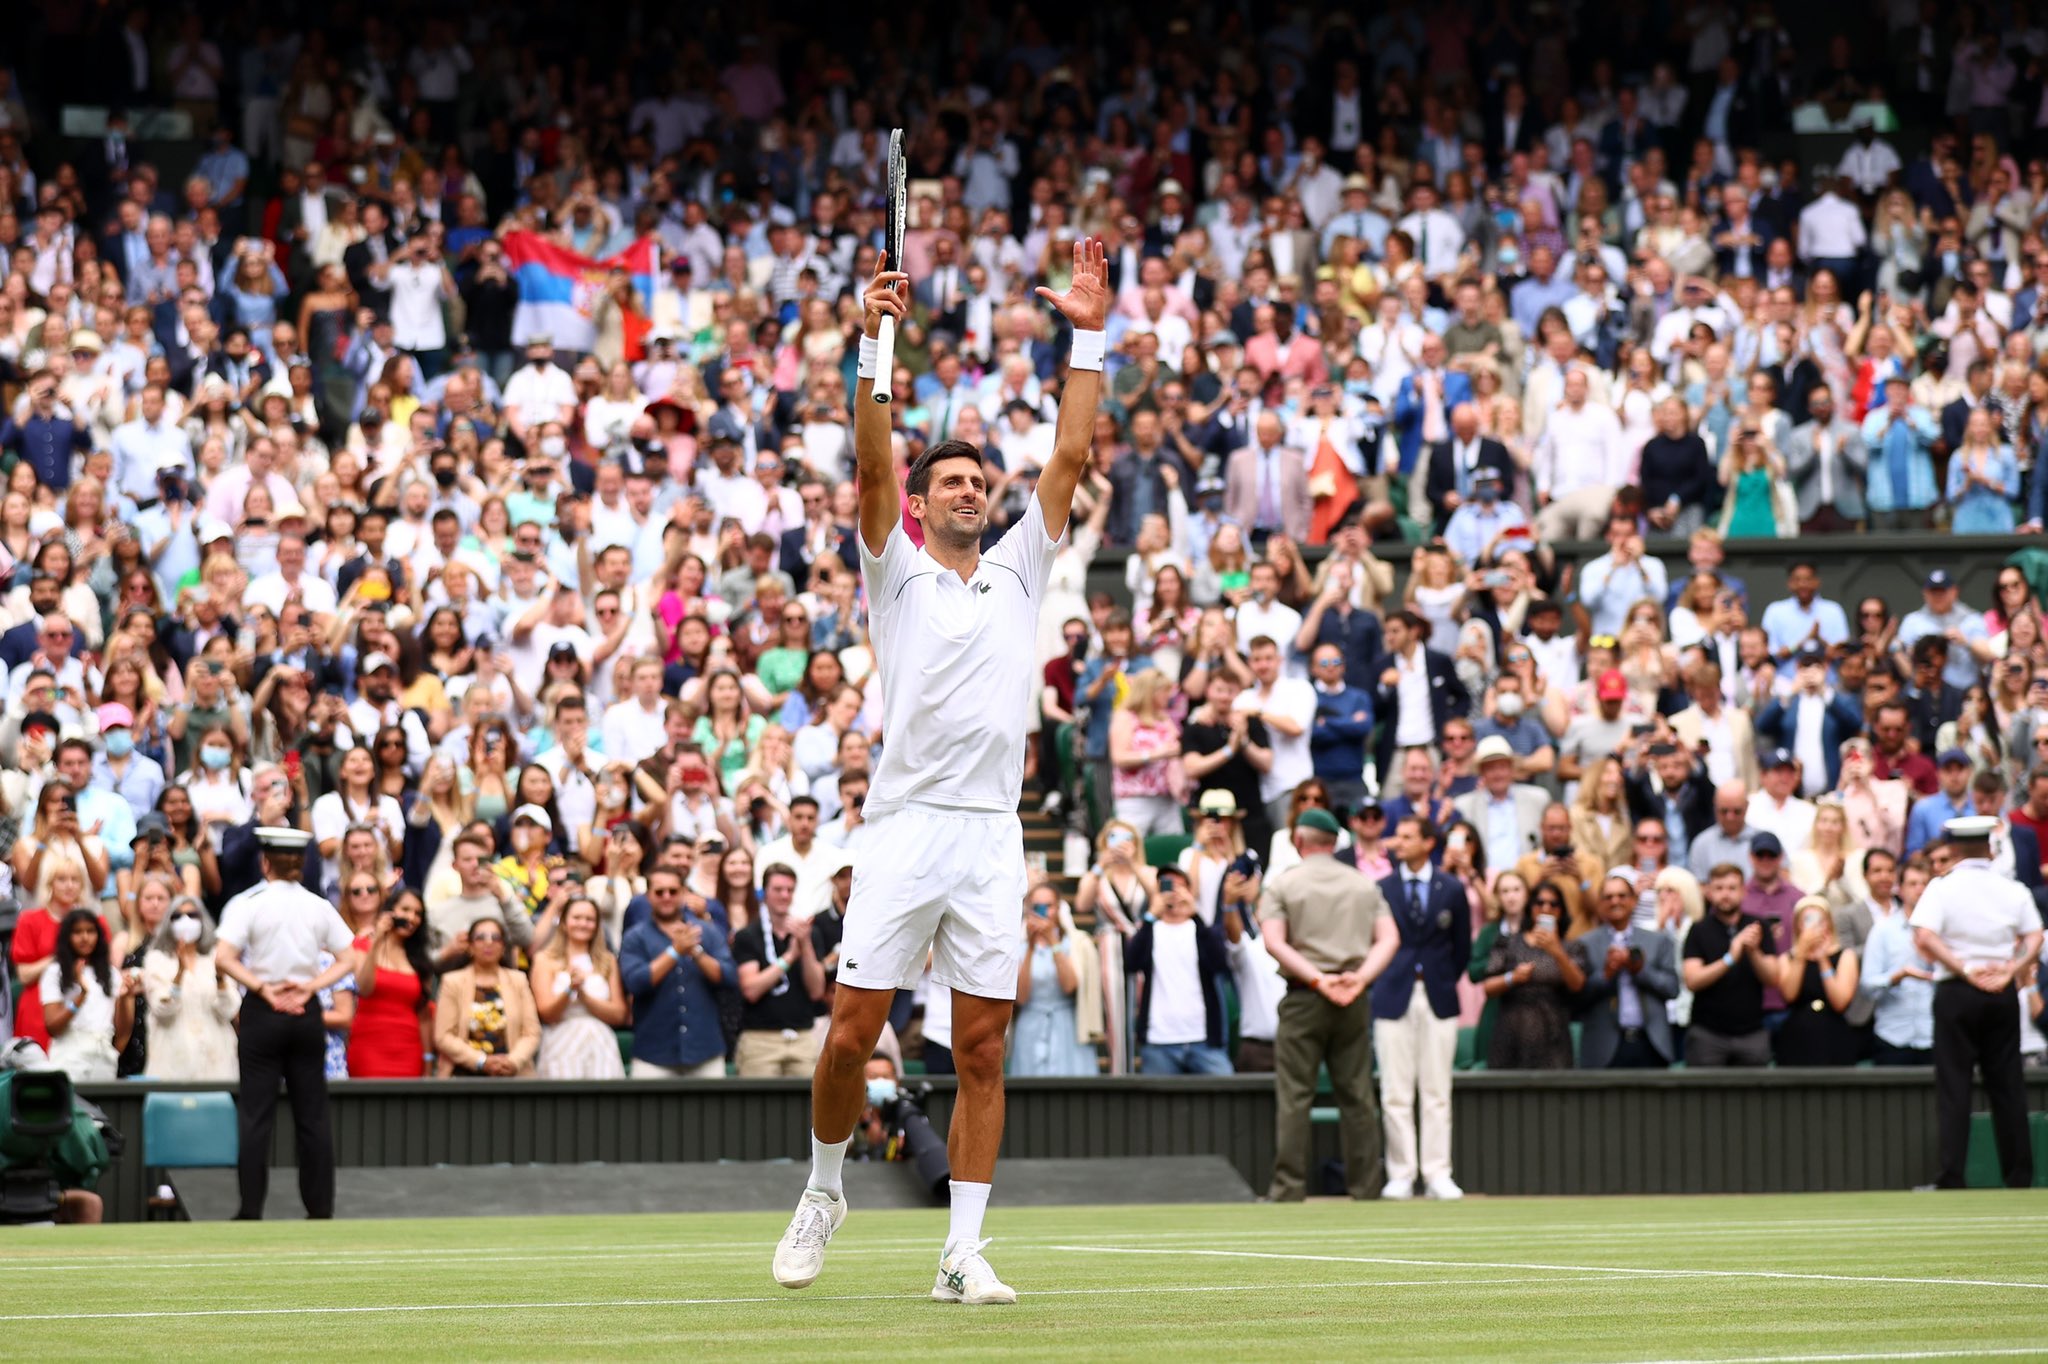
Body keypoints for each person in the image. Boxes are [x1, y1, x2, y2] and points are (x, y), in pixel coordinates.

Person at [777, 241, 1108, 1306]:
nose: (971, 488)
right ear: (918, 504)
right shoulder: (896, 566)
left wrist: (1088, 330)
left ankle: (961, 1250)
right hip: (905, 821)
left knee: (980, 1045)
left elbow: (1069, 446)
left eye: (980, 479)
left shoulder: (1020, 564)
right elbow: (872, 460)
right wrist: (876, 337)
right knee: (848, 1033)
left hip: (988, 832)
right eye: (951, 480)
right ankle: (824, 1185)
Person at [212, 826, 361, 1219]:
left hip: (264, 1010)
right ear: (300, 863)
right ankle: (320, 1209)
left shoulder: (248, 902)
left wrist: (263, 988)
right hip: (305, 1011)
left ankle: (249, 1210)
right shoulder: (317, 905)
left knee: (256, 1115)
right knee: (312, 1115)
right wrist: (311, 987)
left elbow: (223, 957)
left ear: (265, 862)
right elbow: (350, 958)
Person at [1259, 807, 1398, 1201]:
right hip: (1352, 998)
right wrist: (1359, 978)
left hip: (1305, 996)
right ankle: (1366, 1188)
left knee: (1294, 1096)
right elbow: (1390, 939)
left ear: (1298, 842)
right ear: (1335, 843)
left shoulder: (1284, 885)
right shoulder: (1363, 884)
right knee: (1357, 1095)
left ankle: (1288, 1189)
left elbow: (1274, 941)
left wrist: (1318, 979)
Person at [1910, 815, 2044, 1189]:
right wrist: (2011, 970)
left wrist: (1964, 969)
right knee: (2008, 1087)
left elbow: (1924, 935)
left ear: (1952, 849)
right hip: (2000, 992)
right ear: (1989, 848)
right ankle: (2019, 1177)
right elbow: (2035, 935)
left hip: (1957, 992)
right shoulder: (2012, 888)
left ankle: (1952, 1177)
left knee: (1954, 1088)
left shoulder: (1941, 888)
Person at [1373, 815, 1470, 1200]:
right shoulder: (1381, 887)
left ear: (1429, 843)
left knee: (1436, 1089)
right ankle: (1401, 1172)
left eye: (1409, 836)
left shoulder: (1452, 888)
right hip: (1392, 993)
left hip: (1438, 994)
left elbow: (1461, 948)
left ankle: (1436, 1173)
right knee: (1395, 1090)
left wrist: (1441, 977)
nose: (1400, 842)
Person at [620, 864, 736, 1079]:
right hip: (652, 1055)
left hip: (705, 1051)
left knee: (712, 1114)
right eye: (659, 892)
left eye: (673, 891)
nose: (666, 897)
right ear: (648, 896)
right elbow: (636, 982)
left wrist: (696, 952)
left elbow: (729, 978)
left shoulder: (707, 932)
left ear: (683, 893)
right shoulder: (634, 937)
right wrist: (675, 951)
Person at [1124, 865, 1233, 1074]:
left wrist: (1195, 915)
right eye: (1166, 886)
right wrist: (1150, 916)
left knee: (1225, 1098)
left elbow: (1220, 963)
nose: (1173, 892)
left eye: (1180, 886)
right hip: (1159, 1042)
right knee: (1156, 1107)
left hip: (1204, 1041)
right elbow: (1131, 962)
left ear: (1190, 891)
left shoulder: (1202, 930)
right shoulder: (1150, 930)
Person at [1478, 874, 1588, 1069]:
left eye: (1553, 904)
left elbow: (1577, 984)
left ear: (1561, 911)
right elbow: (1488, 987)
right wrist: (1513, 978)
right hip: (1511, 1033)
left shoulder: (1572, 947)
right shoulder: (1508, 942)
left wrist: (1557, 952)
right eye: (1539, 903)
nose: (1546, 908)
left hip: (1553, 1036)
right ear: (1530, 907)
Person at [1680, 862, 1780, 1067]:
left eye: (1732, 888)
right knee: (1704, 1098)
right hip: (1708, 1034)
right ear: (1708, 892)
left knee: (1756, 1098)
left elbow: (1773, 978)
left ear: (1743, 891)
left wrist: (1754, 952)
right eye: (1719, 888)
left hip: (1752, 1032)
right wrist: (1730, 958)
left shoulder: (1758, 926)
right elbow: (1692, 980)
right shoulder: (1698, 930)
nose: (1725, 894)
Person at [1577, 873, 1681, 1068]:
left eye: (1622, 895)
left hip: (1651, 1043)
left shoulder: (1657, 941)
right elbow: (1577, 1000)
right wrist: (1606, 975)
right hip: (1603, 1046)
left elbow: (1672, 989)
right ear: (1600, 904)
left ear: (1634, 901)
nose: (1615, 901)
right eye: (1608, 897)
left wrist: (1640, 970)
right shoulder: (1585, 944)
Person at [736, 864, 828, 1076]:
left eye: (789, 890)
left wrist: (804, 947)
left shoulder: (808, 934)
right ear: (764, 893)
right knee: (757, 1107)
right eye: (778, 889)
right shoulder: (748, 935)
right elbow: (751, 990)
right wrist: (789, 957)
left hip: (802, 1036)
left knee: (808, 1105)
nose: (784, 895)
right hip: (760, 1039)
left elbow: (816, 991)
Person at [138, 897, 241, 1080]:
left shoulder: (216, 958)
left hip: (216, 1065)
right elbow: (162, 1010)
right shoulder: (156, 960)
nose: (186, 921)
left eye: (192, 915)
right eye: (178, 916)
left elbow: (229, 1010)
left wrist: (220, 978)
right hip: (172, 1064)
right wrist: (179, 974)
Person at [531, 896, 631, 1078]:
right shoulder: (544, 959)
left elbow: (619, 1014)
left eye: (589, 919)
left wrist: (584, 995)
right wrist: (569, 990)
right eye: (577, 918)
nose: (583, 924)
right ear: (563, 923)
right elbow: (546, 1013)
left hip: (600, 1042)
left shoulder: (607, 961)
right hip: (561, 1041)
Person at [1010, 883, 1100, 1078]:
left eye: (1048, 906)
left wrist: (1053, 942)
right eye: (1037, 907)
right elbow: (1021, 997)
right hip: (1030, 1028)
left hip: (1067, 1028)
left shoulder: (1076, 944)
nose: (1044, 912)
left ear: (1058, 908)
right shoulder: (1018, 946)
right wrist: (1031, 949)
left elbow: (1069, 986)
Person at [433, 917, 541, 1078]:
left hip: (512, 1074)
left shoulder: (518, 980)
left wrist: (512, 1062)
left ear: (503, 946)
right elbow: (443, 1035)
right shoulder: (452, 981)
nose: (488, 942)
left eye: (496, 938)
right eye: (480, 937)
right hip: (463, 1076)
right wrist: (481, 1061)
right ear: (470, 945)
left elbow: (532, 1032)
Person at [346, 888, 434, 1078]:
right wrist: (377, 940)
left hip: (409, 1049)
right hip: (368, 1046)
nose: (411, 917)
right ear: (390, 911)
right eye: (405, 910)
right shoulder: (364, 944)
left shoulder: (419, 960)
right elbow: (364, 988)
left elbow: (424, 1016)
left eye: (418, 914)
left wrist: (428, 1059)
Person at [40, 910, 137, 1082]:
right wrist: (80, 996)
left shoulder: (111, 974)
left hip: (103, 1057)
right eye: (77, 932)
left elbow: (122, 1030)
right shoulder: (55, 972)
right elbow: (53, 1027)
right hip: (69, 1056)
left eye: (90, 931)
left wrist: (123, 998)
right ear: (67, 936)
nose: (85, 937)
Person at [1859, 852, 1937, 1065]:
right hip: (1892, 1037)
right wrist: (1897, 977)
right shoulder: (1883, 930)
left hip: (1934, 1037)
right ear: (1900, 889)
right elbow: (1867, 985)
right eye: (1912, 883)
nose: (1919, 889)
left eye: (1925, 883)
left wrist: (1933, 962)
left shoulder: (1944, 931)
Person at [1771, 894, 1862, 1065]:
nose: (1814, 926)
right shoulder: (1787, 958)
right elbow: (1789, 995)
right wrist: (1801, 955)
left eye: (1820, 920)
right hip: (1797, 1035)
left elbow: (1840, 1002)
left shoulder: (1845, 956)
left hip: (1834, 1035)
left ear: (1829, 923)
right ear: (1798, 925)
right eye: (1807, 920)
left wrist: (1822, 959)